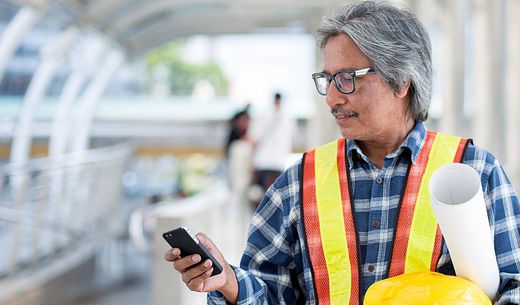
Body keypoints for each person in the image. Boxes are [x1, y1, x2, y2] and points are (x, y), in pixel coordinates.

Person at [165, 1, 520, 304]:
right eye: (328, 79)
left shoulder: (474, 174)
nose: (333, 98)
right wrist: (228, 282)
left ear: (401, 81)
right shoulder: (297, 184)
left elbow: (513, 287)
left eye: (348, 78)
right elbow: (272, 293)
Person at [248, 92, 296, 205]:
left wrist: (250, 162)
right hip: (279, 163)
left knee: (259, 199)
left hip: (262, 163)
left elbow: (252, 140)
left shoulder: (263, 116)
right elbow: (293, 139)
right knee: (276, 201)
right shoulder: (289, 118)